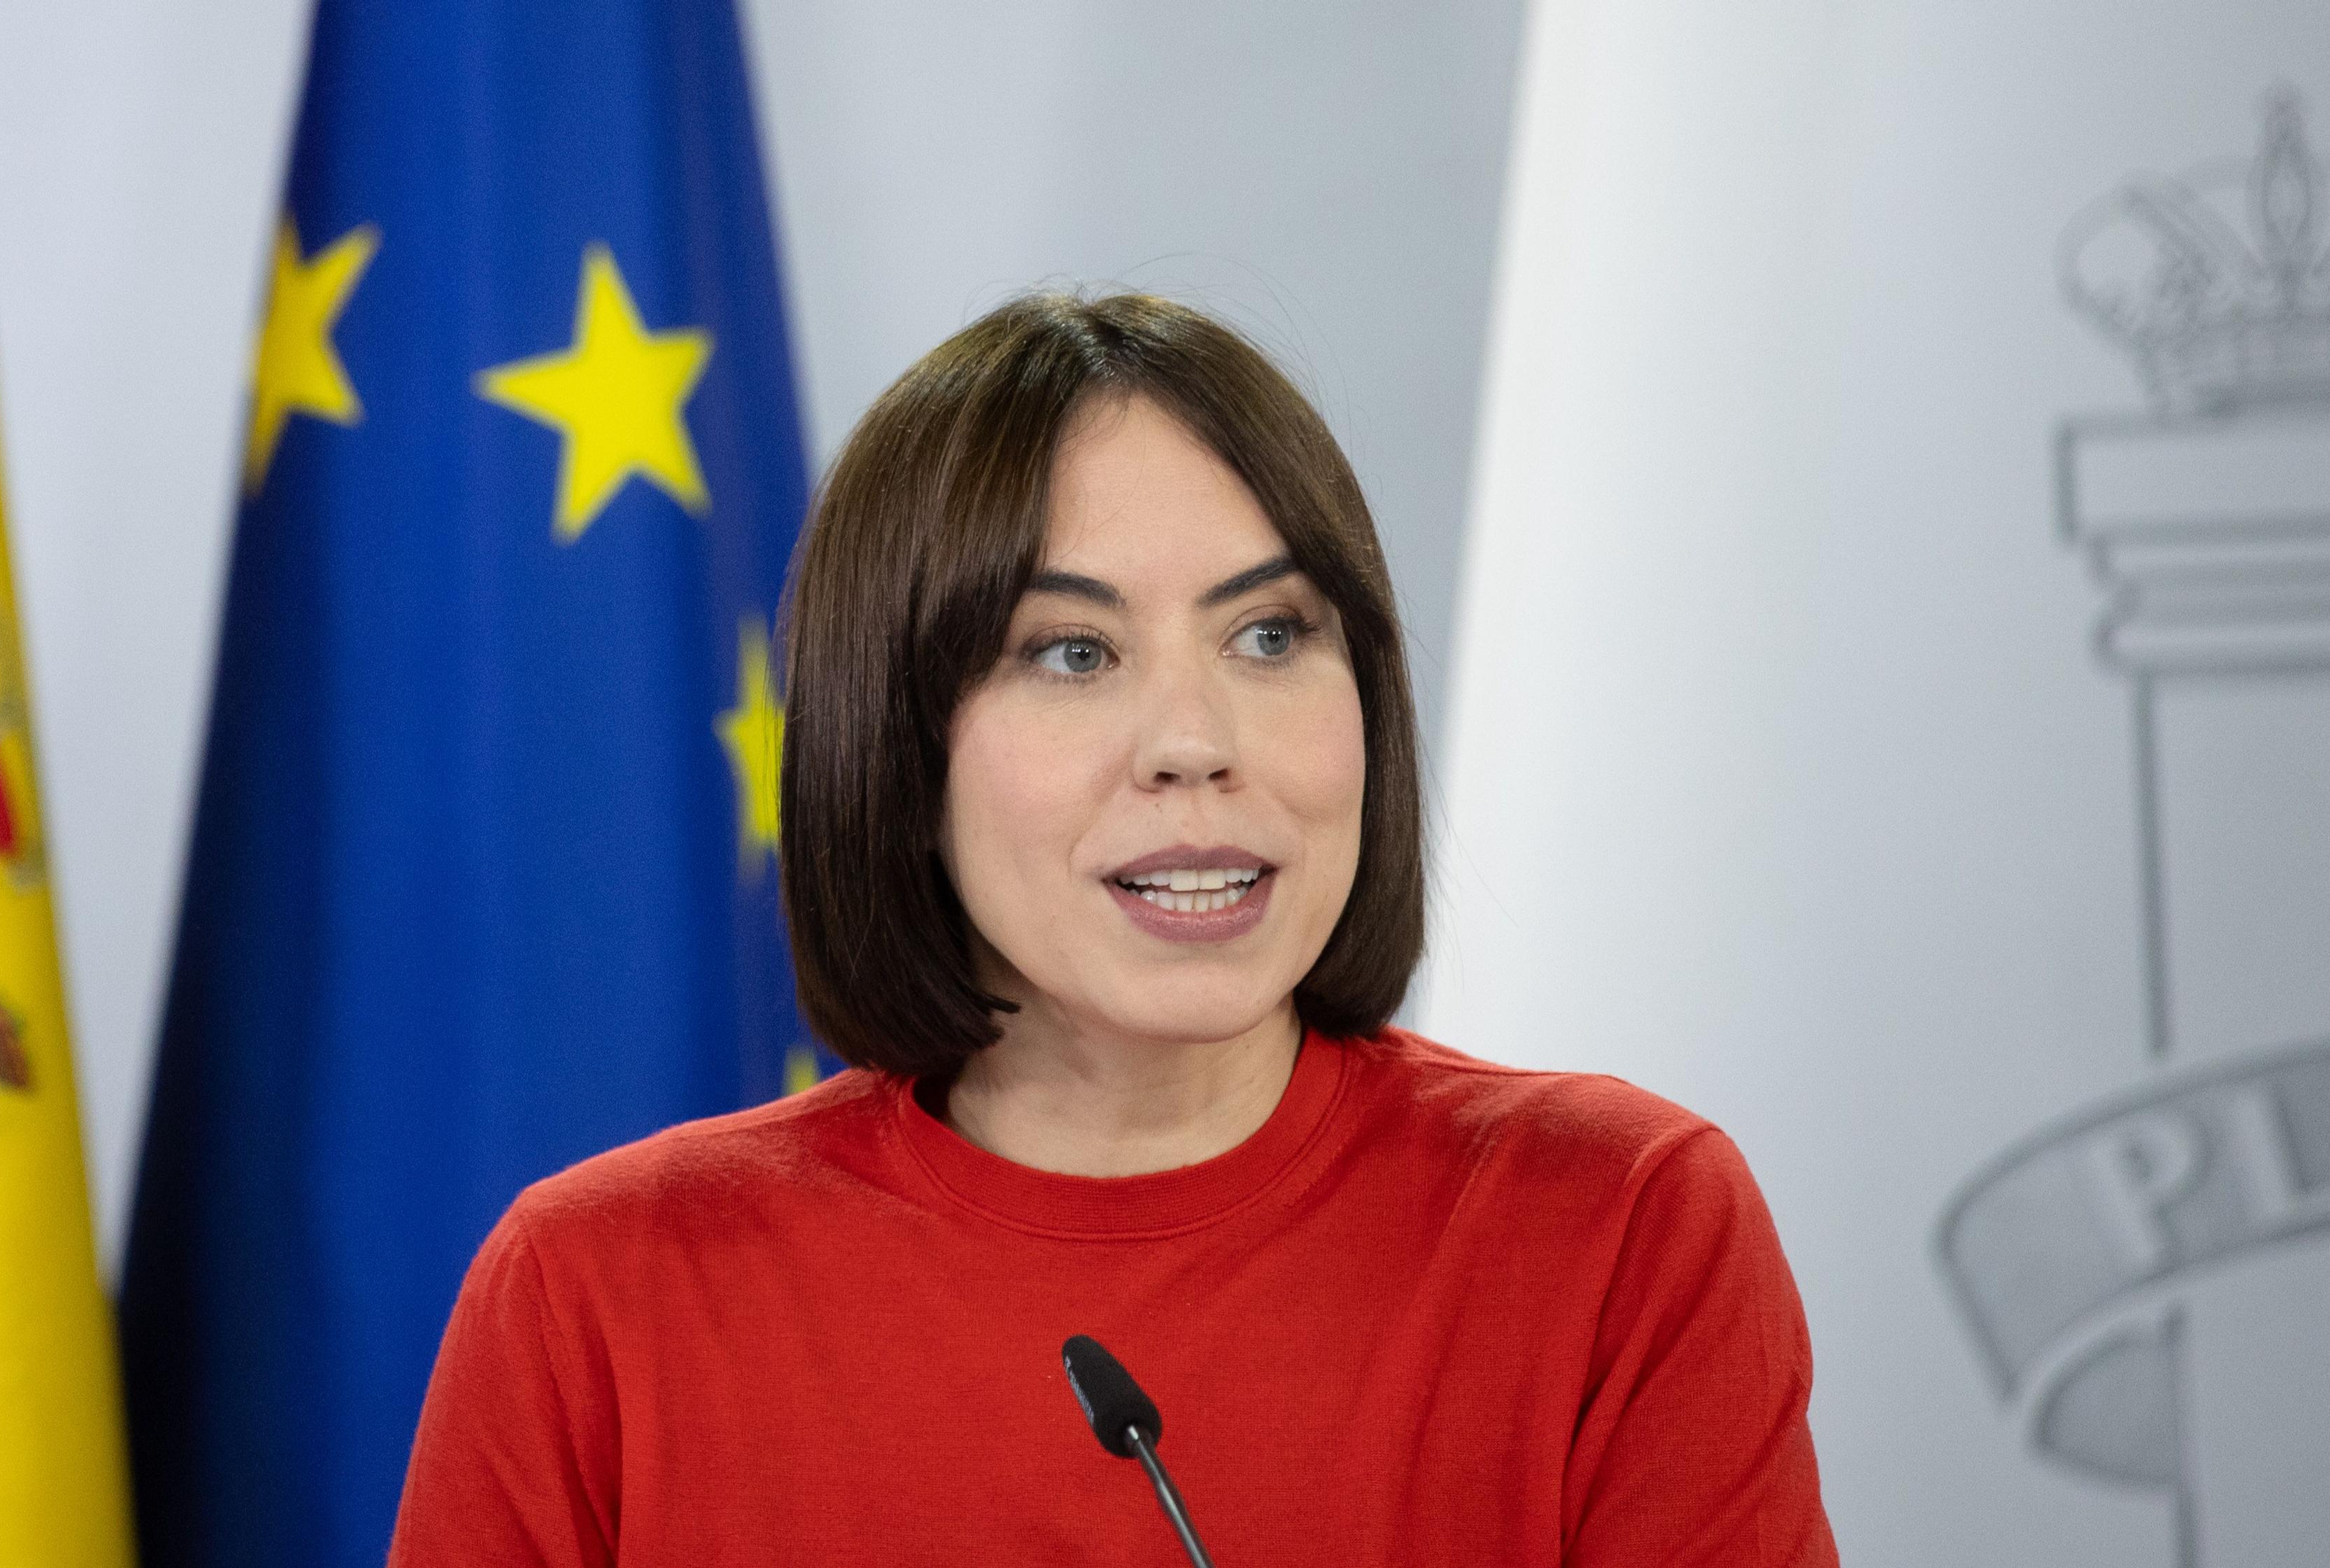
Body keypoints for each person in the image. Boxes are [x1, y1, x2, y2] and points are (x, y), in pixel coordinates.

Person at [388, 294, 1839, 1565]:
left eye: (1268, 635)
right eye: (1073, 652)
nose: (1194, 741)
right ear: (898, 749)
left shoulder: (1616, 1228)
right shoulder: (597, 1297)